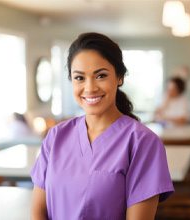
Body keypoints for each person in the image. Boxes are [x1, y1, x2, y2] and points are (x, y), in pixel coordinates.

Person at [31, 33, 174, 220]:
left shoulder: (143, 143)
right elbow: (38, 212)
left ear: (119, 77)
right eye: (79, 78)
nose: (90, 88)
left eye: (101, 75)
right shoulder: (56, 137)